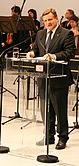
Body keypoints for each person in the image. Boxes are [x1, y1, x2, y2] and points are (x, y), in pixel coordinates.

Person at [26, 8, 75, 150]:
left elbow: (69, 52)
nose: (47, 22)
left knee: (60, 110)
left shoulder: (66, 34)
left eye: (50, 20)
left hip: (59, 78)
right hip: (43, 77)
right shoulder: (40, 34)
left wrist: (54, 56)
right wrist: (31, 53)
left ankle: (63, 137)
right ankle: (48, 136)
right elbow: (36, 50)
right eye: (45, 20)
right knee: (46, 110)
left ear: (56, 19)